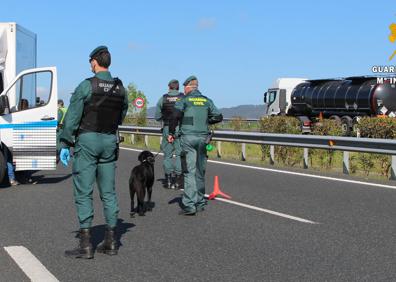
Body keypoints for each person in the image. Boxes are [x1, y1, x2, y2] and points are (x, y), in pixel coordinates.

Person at [59, 46, 128, 259]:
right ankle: (111, 241)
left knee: (84, 190)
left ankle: (86, 244)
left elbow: (72, 118)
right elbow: (122, 113)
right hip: (109, 140)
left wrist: (64, 142)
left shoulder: (86, 86)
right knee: (108, 192)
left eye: (91, 61)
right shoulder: (120, 88)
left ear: (95, 62)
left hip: (88, 141)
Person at [168, 75, 223, 215]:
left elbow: (174, 116)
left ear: (188, 87)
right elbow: (218, 116)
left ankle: (189, 205)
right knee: (200, 170)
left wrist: (171, 133)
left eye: (184, 88)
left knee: (189, 171)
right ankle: (200, 202)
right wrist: (206, 121)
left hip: (188, 139)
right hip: (204, 139)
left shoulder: (184, 100)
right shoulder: (206, 100)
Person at [154, 79, 184, 189]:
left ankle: (168, 180)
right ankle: (178, 180)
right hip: (180, 128)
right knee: (179, 154)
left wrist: (164, 118)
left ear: (169, 87)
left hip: (167, 127)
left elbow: (157, 116)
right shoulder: (183, 97)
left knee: (168, 155)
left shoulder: (163, 98)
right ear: (178, 87)